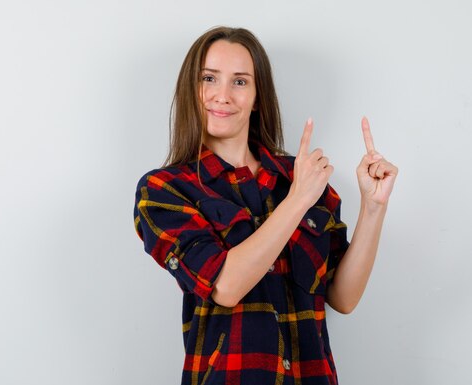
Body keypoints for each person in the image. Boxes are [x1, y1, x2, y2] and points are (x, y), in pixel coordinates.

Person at [133, 26, 397, 385]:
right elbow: (225, 286)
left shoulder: (300, 177)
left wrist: (373, 207)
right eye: (209, 78)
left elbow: (343, 297)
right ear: (191, 89)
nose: (222, 95)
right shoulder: (164, 190)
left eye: (240, 82)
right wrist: (298, 200)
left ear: (257, 96)